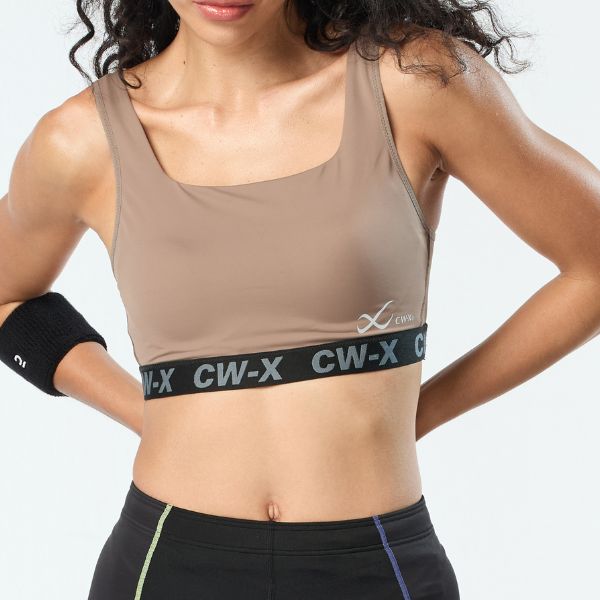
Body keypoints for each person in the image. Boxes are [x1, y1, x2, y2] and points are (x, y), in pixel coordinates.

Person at [1, 1, 599, 599]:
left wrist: (421, 412)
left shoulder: (414, 81)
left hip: (376, 561)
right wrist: (147, 413)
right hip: (166, 559)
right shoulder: (81, 139)